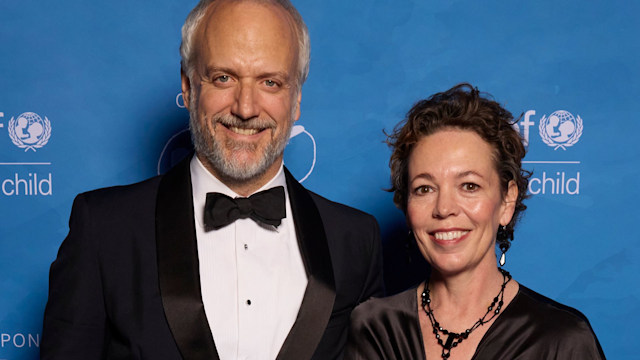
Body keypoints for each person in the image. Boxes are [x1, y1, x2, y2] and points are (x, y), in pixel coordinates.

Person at [41, 0, 383, 359]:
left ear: (295, 99)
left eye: (270, 82)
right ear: (188, 89)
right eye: (224, 78)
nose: (246, 108)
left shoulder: (355, 240)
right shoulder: (105, 228)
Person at [345, 83, 605, 359]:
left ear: (507, 201)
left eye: (469, 186)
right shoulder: (374, 328)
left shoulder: (562, 340)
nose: (444, 208)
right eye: (424, 188)